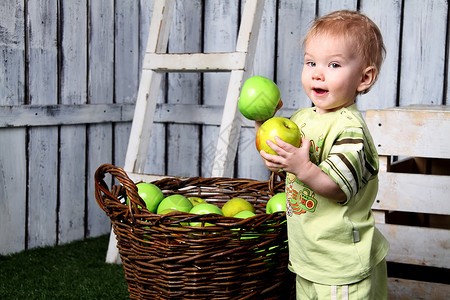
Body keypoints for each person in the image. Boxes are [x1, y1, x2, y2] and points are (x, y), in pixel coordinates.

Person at [255, 10, 390, 300]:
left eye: (334, 64)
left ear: (364, 78)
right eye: (311, 62)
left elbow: (338, 188)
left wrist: (301, 168)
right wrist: (264, 127)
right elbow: (283, 154)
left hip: (340, 263)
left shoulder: (350, 129)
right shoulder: (302, 119)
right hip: (309, 256)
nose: (317, 72)